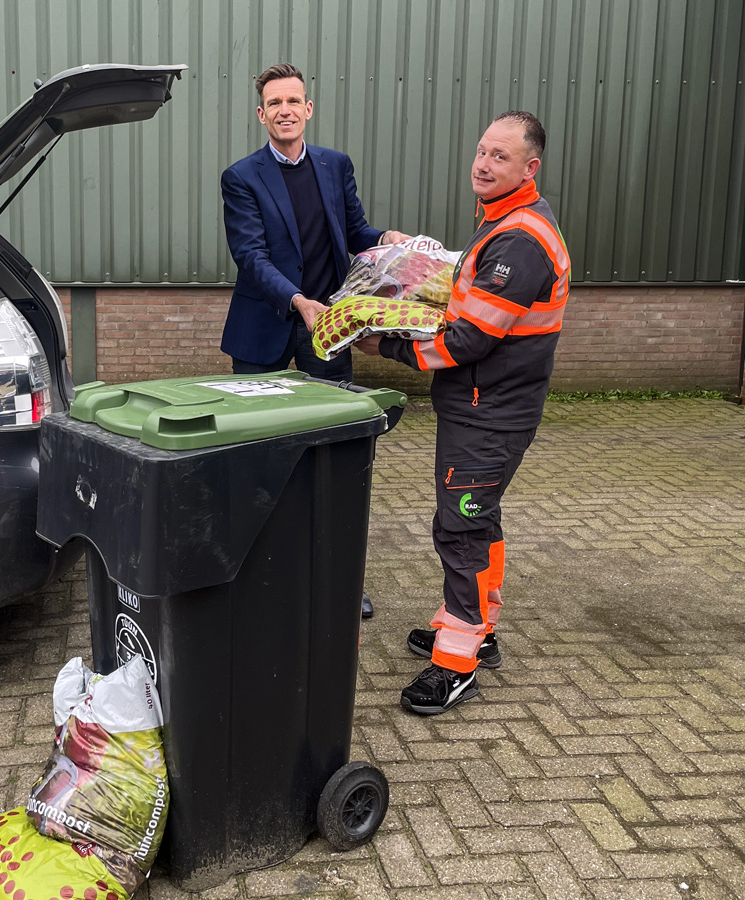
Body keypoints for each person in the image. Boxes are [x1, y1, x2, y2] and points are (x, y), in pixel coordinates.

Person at [355, 110, 569, 715]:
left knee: (461, 528)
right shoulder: (502, 223)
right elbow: (469, 295)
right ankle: (478, 630)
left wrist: (383, 342)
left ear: (529, 167)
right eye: (481, 151)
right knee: (480, 519)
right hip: (485, 410)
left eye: (499, 156)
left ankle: (455, 664)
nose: (482, 163)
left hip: (489, 416)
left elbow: (467, 340)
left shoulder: (519, 241)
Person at [220, 62, 409, 619]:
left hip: (328, 330)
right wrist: (299, 301)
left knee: (333, 453)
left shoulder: (335, 165)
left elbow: (354, 232)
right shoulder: (241, 177)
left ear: (308, 109)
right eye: (273, 102)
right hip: (266, 332)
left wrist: (386, 240)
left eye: (293, 101)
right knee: (253, 455)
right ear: (261, 114)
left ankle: (336, 575)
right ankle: (249, 574)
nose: (284, 110)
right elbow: (250, 257)